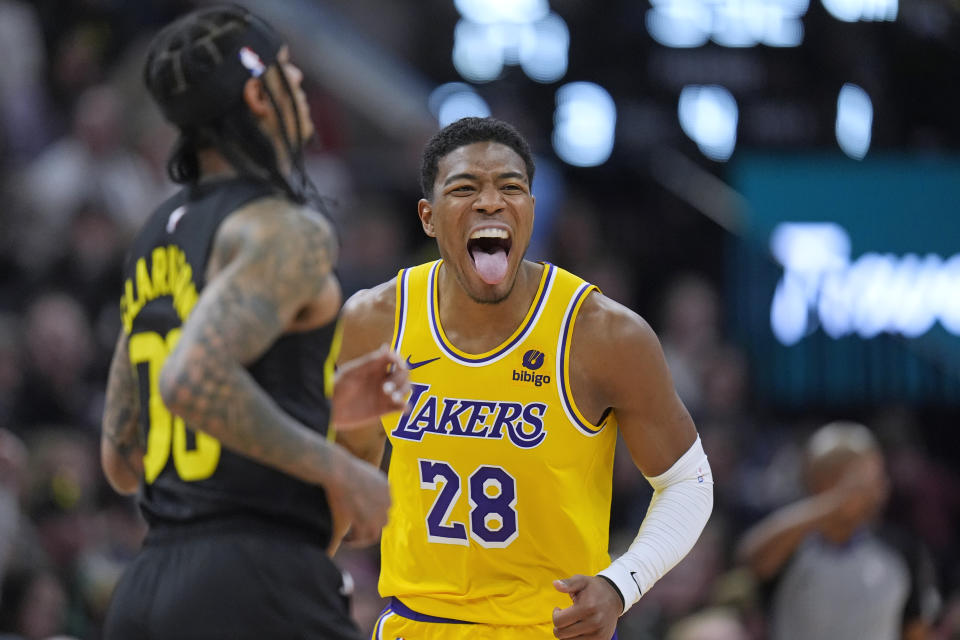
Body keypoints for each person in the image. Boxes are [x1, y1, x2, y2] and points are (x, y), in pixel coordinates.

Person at [334, 116, 714, 640]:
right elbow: (344, 471)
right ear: (427, 216)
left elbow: (688, 481)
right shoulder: (376, 320)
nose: (490, 202)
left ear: (531, 211)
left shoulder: (602, 333)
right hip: (417, 624)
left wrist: (622, 582)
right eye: (465, 188)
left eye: (510, 187)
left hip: (550, 628)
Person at [99, 5, 410, 639]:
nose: (301, 86)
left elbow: (124, 457)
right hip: (257, 584)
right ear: (257, 96)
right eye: (289, 71)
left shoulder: (155, 237)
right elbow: (190, 382)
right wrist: (341, 468)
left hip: (148, 586)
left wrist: (316, 407)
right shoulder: (283, 230)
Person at [736, 421, 940, 640]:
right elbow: (752, 561)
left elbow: (916, 630)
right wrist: (832, 505)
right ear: (819, 482)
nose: (880, 486)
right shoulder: (792, 546)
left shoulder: (901, 550)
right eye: (864, 478)